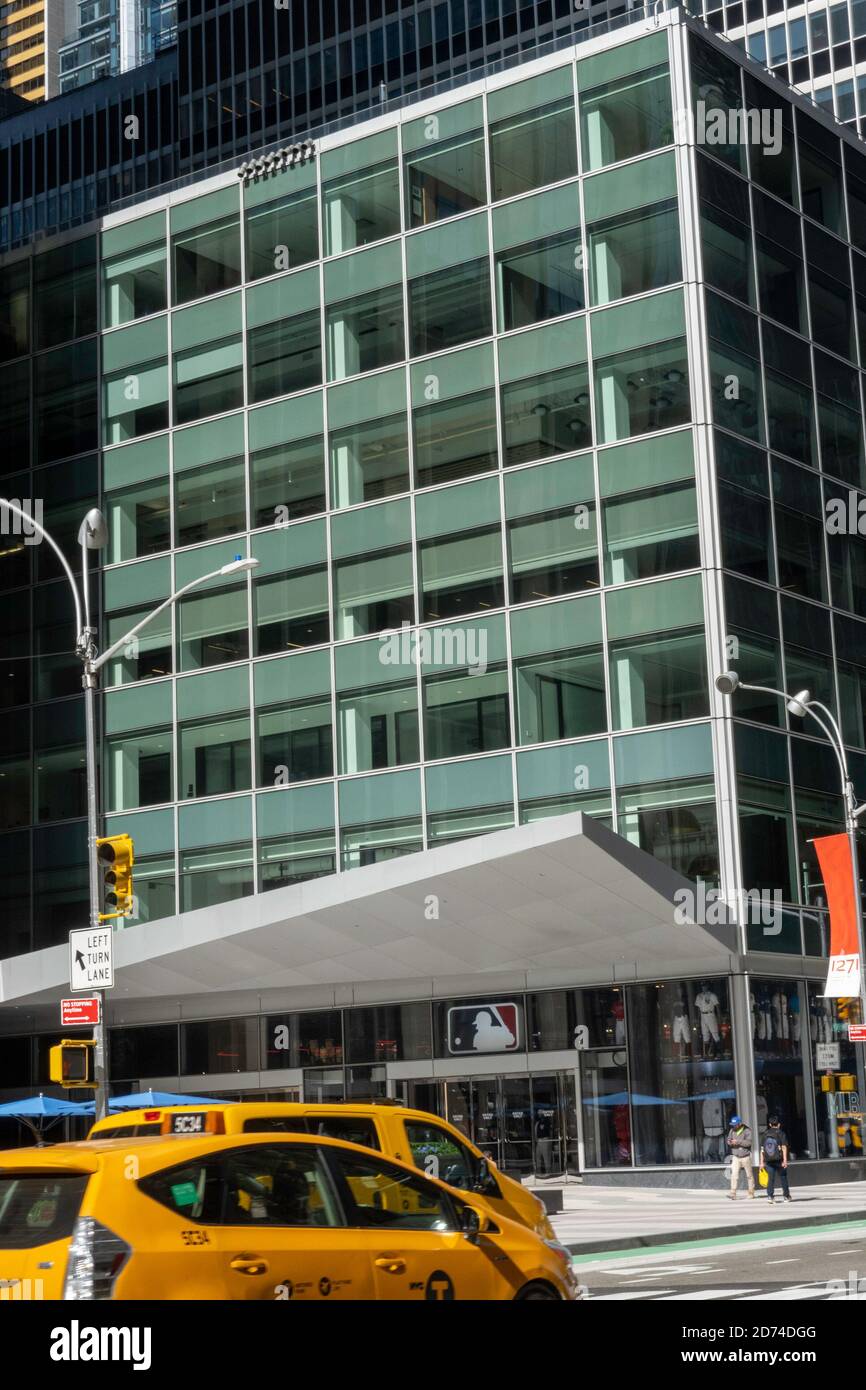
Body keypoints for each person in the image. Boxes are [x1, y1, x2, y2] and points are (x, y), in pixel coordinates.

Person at [761, 1115, 792, 1203]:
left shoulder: (765, 1134)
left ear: (770, 1124)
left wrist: (761, 1162)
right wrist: (785, 1160)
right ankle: (786, 1196)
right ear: (779, 1124)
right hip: (779, 1160)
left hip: (768, 1160)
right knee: (783, 1177)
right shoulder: (781, 1133)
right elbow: (784, 1147)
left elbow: (762, 1149)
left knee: (770, 1179)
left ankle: (770, 1196)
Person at [726, 1114, 755, 1198]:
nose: (733, 1126)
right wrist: (730, 1142)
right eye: (733, 1125)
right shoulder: (732, 1130)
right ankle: (733, 1193)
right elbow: (728, 1139)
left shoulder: (747, 1130)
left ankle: (751, 1192)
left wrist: (737, 1142)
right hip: (736, 1156)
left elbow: (749, 1143)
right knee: (734, 1175)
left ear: (739, 1124)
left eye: (735, 1125)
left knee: (749, 1175)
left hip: (745, 1156)